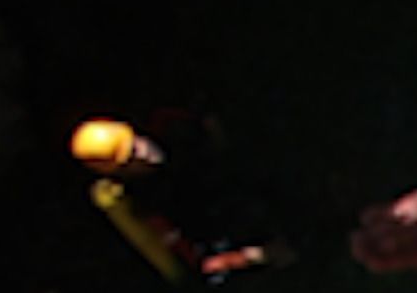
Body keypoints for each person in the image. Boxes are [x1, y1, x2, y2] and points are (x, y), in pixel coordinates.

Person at [69, 115, 289, 281]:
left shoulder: (174, 129)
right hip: (231, 229)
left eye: (136, 145)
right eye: (130, 160)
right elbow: (197, 261)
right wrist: (253, 256)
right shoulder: (146, 204)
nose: (144, 154)